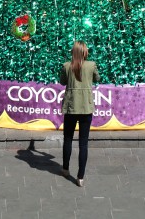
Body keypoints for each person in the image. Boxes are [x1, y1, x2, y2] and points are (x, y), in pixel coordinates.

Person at [59, 40, 100, 186]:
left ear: (73, 52)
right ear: (84, 52)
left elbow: (62, 82)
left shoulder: (66, 66)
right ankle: (80, 177)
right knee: (83, 143)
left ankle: (65, 168)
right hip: (86, 108)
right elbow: (97, 78)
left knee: (68, 139)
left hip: (71, 107)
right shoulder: (91, 65)